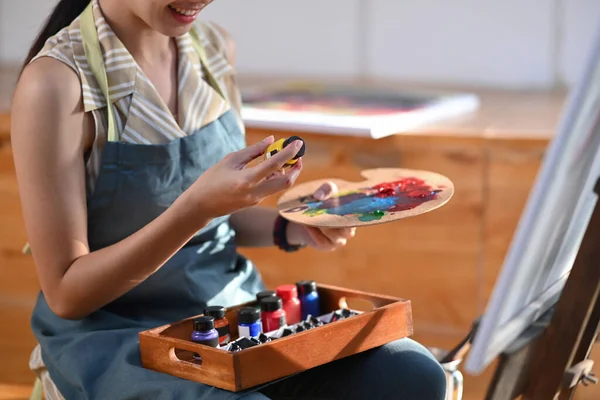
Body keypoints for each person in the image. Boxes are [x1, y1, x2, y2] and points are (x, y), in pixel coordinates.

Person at [10, 0, 447, 399]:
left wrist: (290, 223)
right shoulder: (56, 84)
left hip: (230, 316)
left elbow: (215, 223)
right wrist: (197, 206)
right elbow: (67, 293)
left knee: (412, 374)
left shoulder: (212, 49)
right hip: (116, 335)